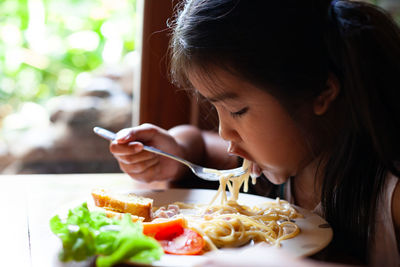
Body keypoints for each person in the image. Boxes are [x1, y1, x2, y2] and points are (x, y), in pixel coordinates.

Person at [109, 0, 400, 265]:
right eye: (216, 108)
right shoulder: (282, 159)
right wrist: (176, 152)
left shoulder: (390, 195)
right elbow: (199, 145)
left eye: (237, 111)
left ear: (321, 94)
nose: (225, 132)